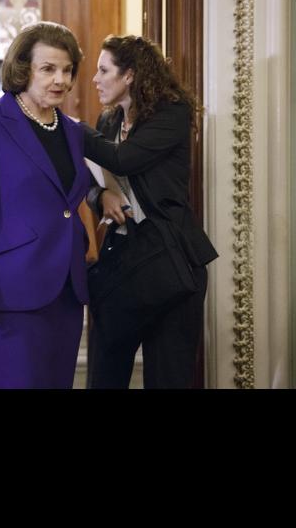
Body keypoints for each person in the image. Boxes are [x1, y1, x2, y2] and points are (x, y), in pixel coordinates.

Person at [0, 21, 92, 389]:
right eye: (48, 69)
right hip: (12, 290)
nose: (60, 79)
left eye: (67, 70)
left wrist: (104, 194)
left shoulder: (73, 130)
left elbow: (69, 194)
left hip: (67, 290)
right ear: (23, 69)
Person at [83, 35, 217, 389]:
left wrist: (67, 126)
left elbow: (123, 159)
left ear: (129, 75)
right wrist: (101, 197)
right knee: (104, 373)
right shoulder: (108, 121)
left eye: (103, 70)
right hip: (123, 261)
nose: (94, 79)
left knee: (168, 378)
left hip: (170, 261)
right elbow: (88, 179)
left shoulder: (171, 114)